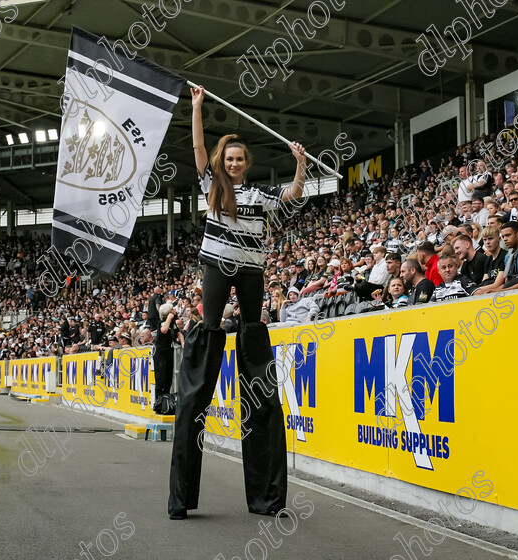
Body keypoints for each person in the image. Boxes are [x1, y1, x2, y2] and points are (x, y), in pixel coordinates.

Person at [170, 85, 305, 520]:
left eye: (239, 159)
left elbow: (294, 195)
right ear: (221, 163)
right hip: (216, 269)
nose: (234, 163)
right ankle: (183, 494)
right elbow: (196, 146)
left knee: (252, 339)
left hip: (250, 274)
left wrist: (301, 164)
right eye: (229, 158)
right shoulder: (212, 186)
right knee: (209, 337)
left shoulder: (258, 195)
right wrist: (196, 108)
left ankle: (265, 496)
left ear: (247, 164)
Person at [475, 222, 518, 293]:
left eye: (508, 235)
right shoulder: (508, 255)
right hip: (515, 293)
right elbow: (508, 283)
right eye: (503, 237)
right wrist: (494, 291)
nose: (505, 239)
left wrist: (501, 291)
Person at [153, 302, 178, 410]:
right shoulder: (163, 322)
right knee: (161, 379)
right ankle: (158, 403)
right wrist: (169, 317)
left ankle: (166, 403)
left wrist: (183, 342)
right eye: (172, 310)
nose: (175, 311)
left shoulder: (172, 323)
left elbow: (178, 333)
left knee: (168, 378)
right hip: (160, 353)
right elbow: (164, 330)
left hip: (169, 352)